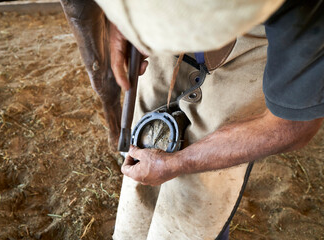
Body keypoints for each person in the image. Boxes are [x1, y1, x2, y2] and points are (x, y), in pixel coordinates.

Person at [98, 0, 324, 239]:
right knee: (143, 152)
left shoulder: (307, 12)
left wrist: (181, 162)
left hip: (253, 44)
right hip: (165, 29)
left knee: (200, 198)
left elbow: (290, 128)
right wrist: (124, 23)